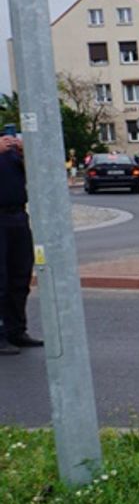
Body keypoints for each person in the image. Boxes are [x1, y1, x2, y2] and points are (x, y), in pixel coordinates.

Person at [0, 134, 41, 356]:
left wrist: (26, 152)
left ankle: (16, 330)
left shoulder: (9, 147)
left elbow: (35, 175)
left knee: (19, 276)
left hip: (17, 215)